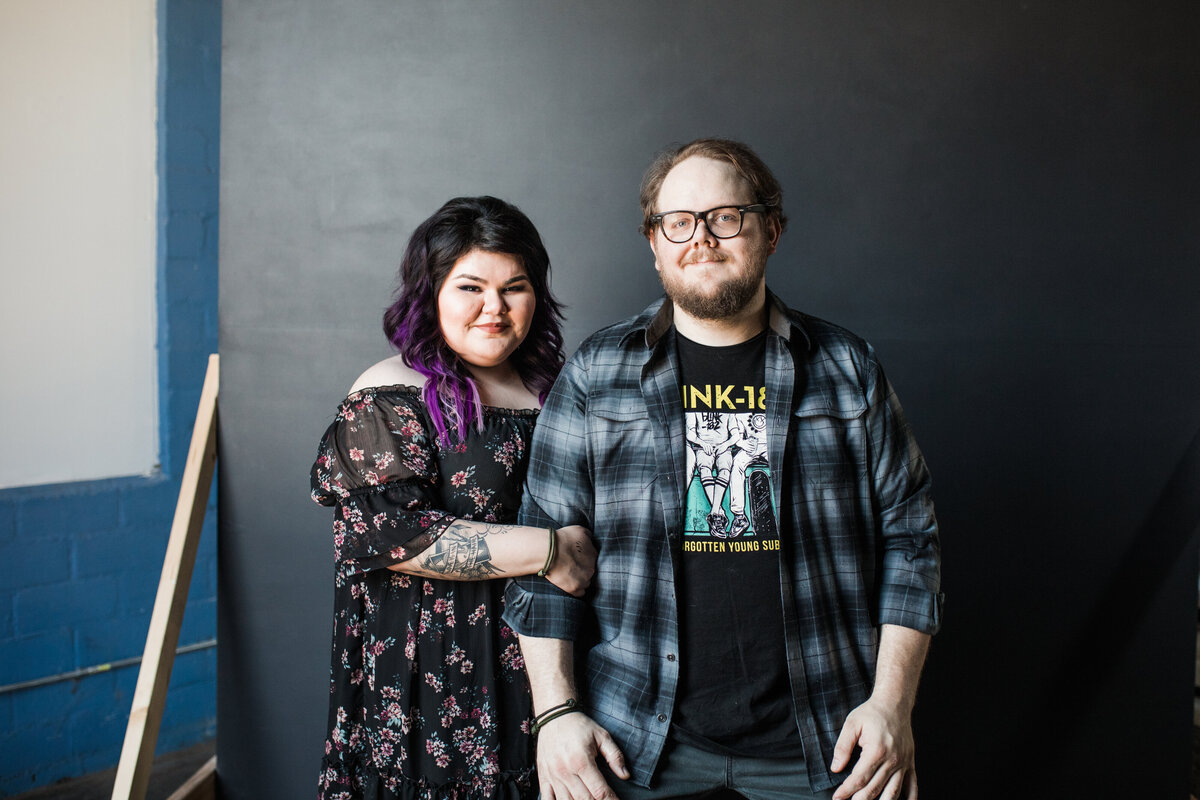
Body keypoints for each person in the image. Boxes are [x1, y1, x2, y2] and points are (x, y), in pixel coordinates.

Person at [503, 139, 943, 800]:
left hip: (827, 741)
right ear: (655, 243)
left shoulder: (846, 369)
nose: (700, 238)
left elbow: (912, 544)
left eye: (725, 217)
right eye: (678, 222)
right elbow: (547, 552)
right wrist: (557, 715)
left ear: (771, 230)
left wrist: (892, 706)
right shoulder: (599, 374)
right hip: (632, 740)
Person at [310, 195, 596, 800]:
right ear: (430, 292)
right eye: (471, 287)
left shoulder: (558, 386)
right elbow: (385, 536)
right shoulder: (392, 390)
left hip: (550, 667)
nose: (494, 307)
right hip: (430, 677)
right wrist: (550, 549)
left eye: (514, 287)